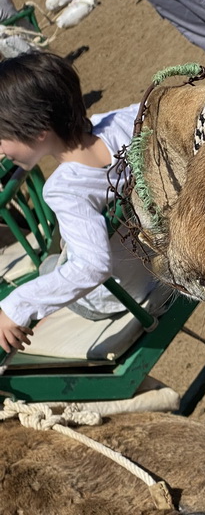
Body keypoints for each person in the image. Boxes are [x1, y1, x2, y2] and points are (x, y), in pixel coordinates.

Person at [0, 51, 158, 353]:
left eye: (1, 138)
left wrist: (15, 306)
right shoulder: (124, 122)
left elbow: (92, 267)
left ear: (38, 132)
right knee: (54, 261)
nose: (0, 150)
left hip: (128, 289)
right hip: (160, 248)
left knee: (47, 269)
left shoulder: (65, 189)